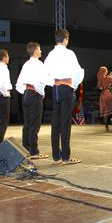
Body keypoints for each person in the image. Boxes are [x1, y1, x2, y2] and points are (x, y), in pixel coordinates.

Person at [44, 29, 84, 165]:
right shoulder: (69, 53)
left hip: (55, 88)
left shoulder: (50, 54)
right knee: (65, 122)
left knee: (55, 121)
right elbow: (78, 73)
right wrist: (74, 85)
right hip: (66, 87)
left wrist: (54, 83)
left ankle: (56, 156)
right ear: (66, 39)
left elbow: (44, 74)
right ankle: (66, 156)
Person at [15, 42, 47, 159]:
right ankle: (34, 151)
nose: (41, 51)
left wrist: (26, 91)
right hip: (34, 94)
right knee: (35, 123)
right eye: (39, 49)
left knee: (27, 123)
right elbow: (43, 80)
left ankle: (26, 148)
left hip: (26, 93)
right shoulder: (39, 64)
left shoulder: (26, 64)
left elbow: (18, 84)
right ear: (35, 51)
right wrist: (40, 92)